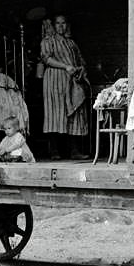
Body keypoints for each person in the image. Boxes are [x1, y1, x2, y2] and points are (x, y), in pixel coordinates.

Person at [40, 15, 89, 160]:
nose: (61, 26)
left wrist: (80, 70)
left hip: (71, 80)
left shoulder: (71, 43)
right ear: (53, 25)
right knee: (55, 114)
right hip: (54, 80)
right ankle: (54, 151)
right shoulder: (48, 41)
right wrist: (65, 66)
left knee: (74, 113)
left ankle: (74, 151)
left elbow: (81, 61)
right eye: (58, 23)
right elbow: (46, 58)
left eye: (63, 23)